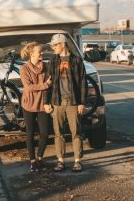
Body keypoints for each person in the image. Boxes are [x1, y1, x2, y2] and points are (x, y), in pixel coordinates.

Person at [45, 34, 86, 172]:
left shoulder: (77, 60)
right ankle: (60, 161)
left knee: (76, 132)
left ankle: (77, 161)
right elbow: (47, 84)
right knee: (58, 133)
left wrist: (82, 102)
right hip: (57, 102)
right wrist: (46, 102)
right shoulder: (52, 62)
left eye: (55, 45)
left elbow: (82, 83)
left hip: (73, 102)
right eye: (52, 45)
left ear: (63, 44)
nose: (53, 48)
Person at [20, 42, 52, 172]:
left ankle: (40, 158)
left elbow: (51, 82)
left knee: (45, 133)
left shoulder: (46, 66)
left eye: (42, 52)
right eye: (40, 52)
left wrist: (48, 101)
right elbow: (28, 87)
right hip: (29, 105)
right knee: (30, 133)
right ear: (32, 54)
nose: (42, 54)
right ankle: (32, 161)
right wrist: (45, 85)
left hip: (42, 104)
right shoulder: (24, 69)